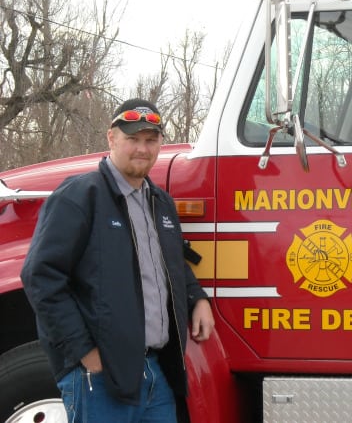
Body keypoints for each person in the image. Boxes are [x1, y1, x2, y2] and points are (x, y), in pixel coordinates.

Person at [21, 98, 215, 423]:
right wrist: (84, 351)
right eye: (133, 139)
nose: (142, 148)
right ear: (112, 138)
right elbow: (40, 276)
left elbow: (170, 262)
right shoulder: (80, 196)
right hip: (101, 377)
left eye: (150, 140)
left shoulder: (160, 202)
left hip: (156, 373)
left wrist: (197, 297)